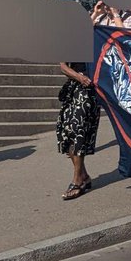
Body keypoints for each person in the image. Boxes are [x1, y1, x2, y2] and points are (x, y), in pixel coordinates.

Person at [56, 60, 100, 199]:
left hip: (89, 91)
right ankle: (84, 176)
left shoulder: (97, 39)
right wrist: (79, 77)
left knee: (78, 130)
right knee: (65, 131)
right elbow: (63, 66)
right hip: (74, 87)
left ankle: (77, 181)